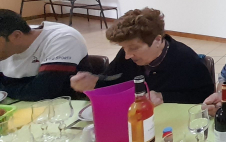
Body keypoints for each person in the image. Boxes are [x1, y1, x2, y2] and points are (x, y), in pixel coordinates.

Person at [70, 8, 214, 105]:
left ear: (157, 40)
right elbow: (113, 81)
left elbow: (204, 97)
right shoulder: (126, 56)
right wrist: (94, 82)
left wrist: (164, 97)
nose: (127, 55)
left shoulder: (185, 60)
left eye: (134, 48)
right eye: (124, 48)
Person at [0, 9, 88, 101]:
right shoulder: (8, 43)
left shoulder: (63, 38)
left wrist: (4, 90)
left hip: (64, 105)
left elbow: (42, 91)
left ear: (16, 36)